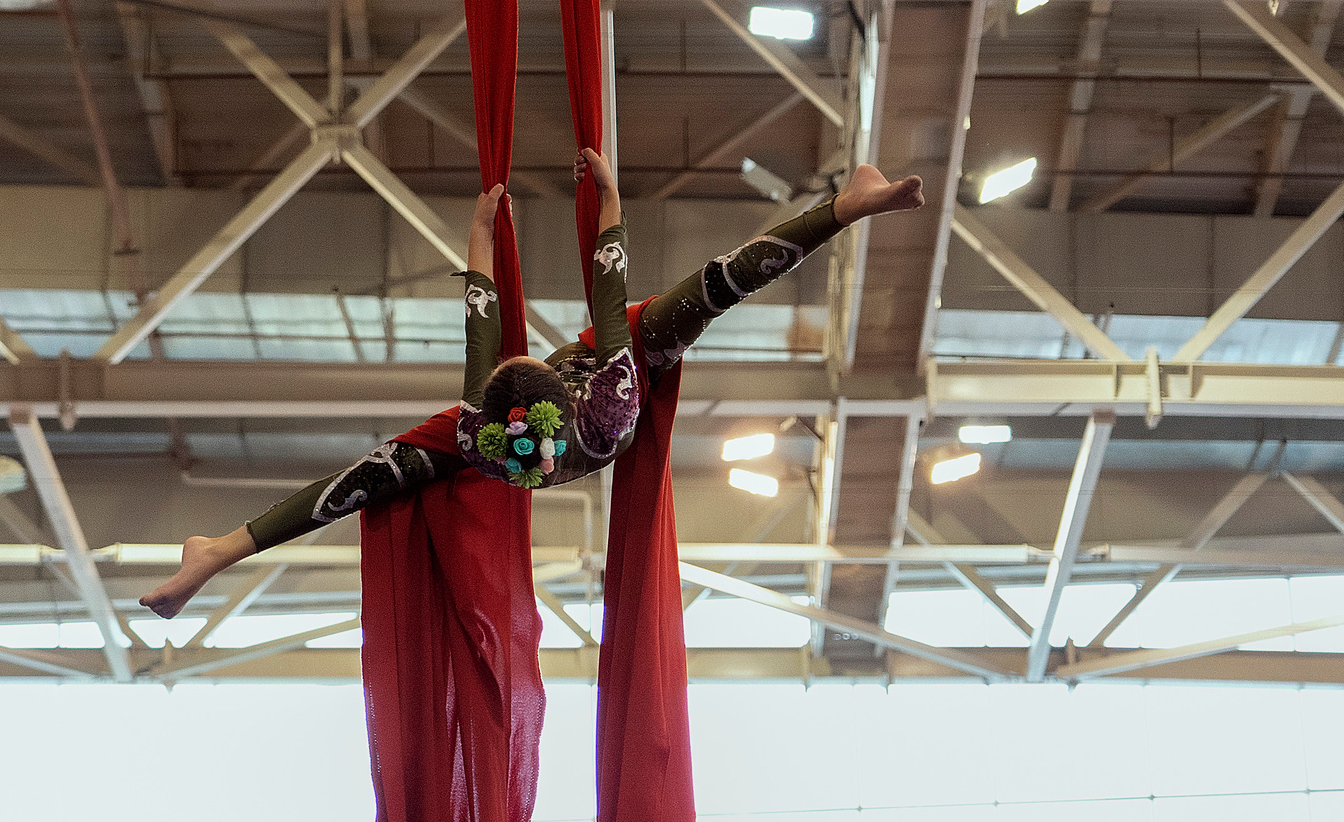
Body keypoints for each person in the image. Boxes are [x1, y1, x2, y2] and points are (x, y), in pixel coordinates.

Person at [140, 147, 927, 618]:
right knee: (711, 290)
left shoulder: (477, 429)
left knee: (371, 477)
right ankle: (847, 207)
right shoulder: (611, 396)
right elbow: (607, 289)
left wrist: (480, 237)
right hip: (607, 412)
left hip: (529, 439)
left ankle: (217, 551)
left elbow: (483, 325)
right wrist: (609, 198)